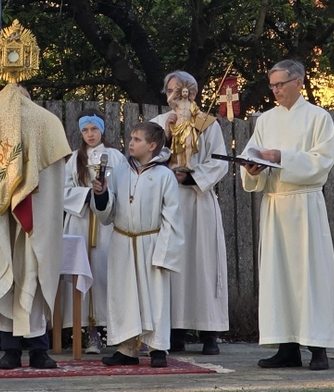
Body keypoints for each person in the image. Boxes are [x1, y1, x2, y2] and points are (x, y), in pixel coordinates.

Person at [241, 59, 334, 370]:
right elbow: (252, 154)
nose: (275, 90)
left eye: (280, 84)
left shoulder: (318, 117)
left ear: (298, 82)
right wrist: (253, 168)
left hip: (304, 205)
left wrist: (281, 157)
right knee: (278, 276)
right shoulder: (266, 120)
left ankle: (318, 347)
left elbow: (322, 161)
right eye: (272, 85)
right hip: (275, 204)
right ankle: (286, 346)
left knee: (309, 275)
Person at [0, 82, 71, 370]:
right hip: (2, 215)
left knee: (34, 270)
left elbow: (53, 175)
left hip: (36, 211)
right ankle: (9, 349)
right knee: (4, 268)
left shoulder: (45, 123)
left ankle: (38, 349)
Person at [92, 121, 183, 369]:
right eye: (131, 138)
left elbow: (172, 217)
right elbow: (107, 214)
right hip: (122, 241)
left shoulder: (164, 176)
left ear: (152, 145)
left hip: (151, 243)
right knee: (124, 296)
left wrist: (164, 253)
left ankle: (157, 348)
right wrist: (100, 194)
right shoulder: (119, 172)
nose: (131, 143)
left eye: (137, 139)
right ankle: (127, 348)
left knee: (155, 297)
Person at [152, 71, 229, 355]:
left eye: (182, 90)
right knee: (173, 266)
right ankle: (175, 332)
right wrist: (167, 136)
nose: (176, 95)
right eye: (171, 90)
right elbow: (146, 156)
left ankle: (209, 332)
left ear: (193, 93)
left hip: (199, 201)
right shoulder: (158, 123)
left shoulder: (207, 123)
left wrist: (193, 177)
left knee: (203, 264)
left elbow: (220, 161)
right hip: (168, 202)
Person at [62, 110, 126, 353]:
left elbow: (123, 187)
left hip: (106, 225)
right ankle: (90, 333)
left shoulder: (115, 156)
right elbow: (62, 191)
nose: (90, 134)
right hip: (80, 223)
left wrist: (104, 196)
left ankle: (118, 332)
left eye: (94, 129)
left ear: (102, 130)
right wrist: (87, 195)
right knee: (83, 275)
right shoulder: (74, 159)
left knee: (107, 275)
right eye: (85, 130)